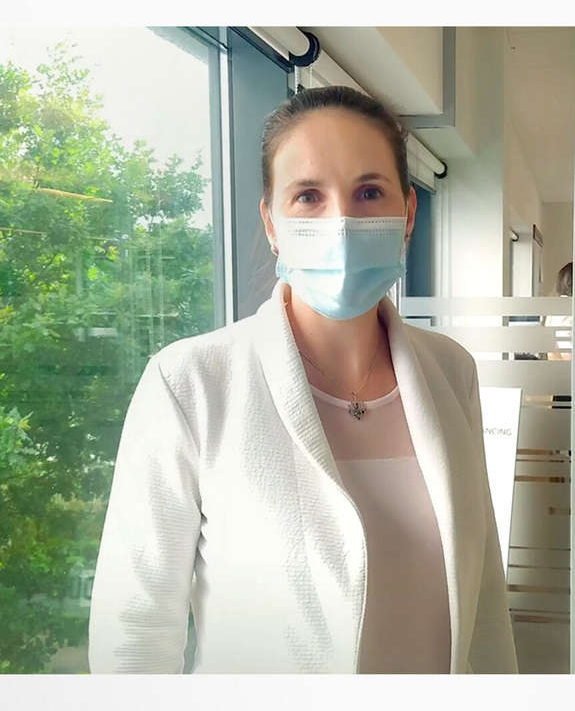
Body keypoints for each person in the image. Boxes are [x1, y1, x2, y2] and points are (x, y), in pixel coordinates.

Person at [88, 85, 518, 675]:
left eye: (369, 192)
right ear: (272, 222)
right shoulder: (190, 383)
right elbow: (135, 633)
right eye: (309, 196)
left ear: (408, 213)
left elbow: (483, 591)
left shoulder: (451, 370)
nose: (341, 222)